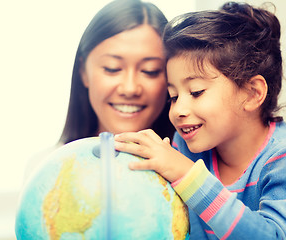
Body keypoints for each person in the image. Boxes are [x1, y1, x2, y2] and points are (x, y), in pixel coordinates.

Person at [114, 2, 286, 239]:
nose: (178, 109)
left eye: (196, 92)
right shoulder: (184, 146)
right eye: (173, 96)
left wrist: (188, 176)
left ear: (252, 93)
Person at [24, 0, 175, 179]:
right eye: (112, 68)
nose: (130, 88)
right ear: (83, 71)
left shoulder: (189, 170)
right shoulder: (47, 168)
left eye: (150, 71)